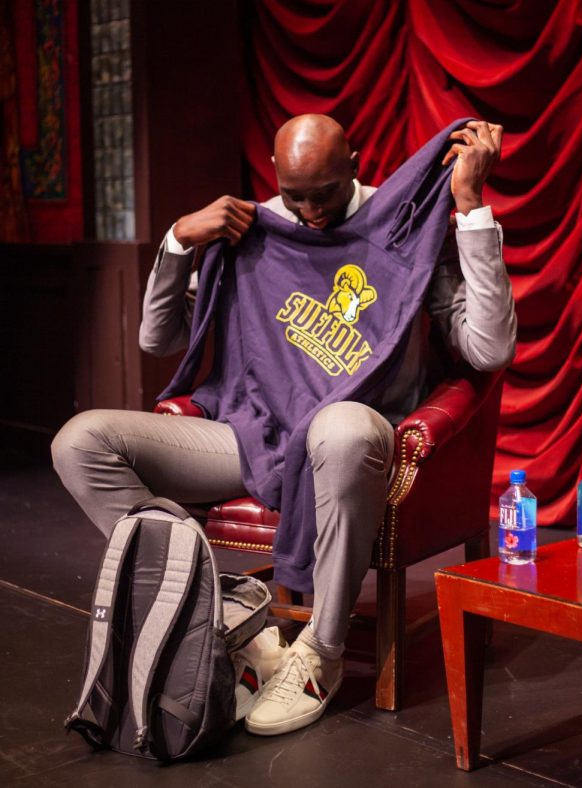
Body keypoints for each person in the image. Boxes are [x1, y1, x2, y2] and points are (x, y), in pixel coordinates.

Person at [52, 115, 516, 737]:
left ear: (353, 162)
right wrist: (179, 242)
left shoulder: (405, 230)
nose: (309, 210)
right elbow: (158, 338)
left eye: (322, 192)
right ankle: (218, 617)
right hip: (254, 434)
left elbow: (488, 350)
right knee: (81, 441)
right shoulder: (253, 228)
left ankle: (318, 656)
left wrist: (470, 208)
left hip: (353, 440)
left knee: (341, 428)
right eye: (294, 194)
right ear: (274, 177)